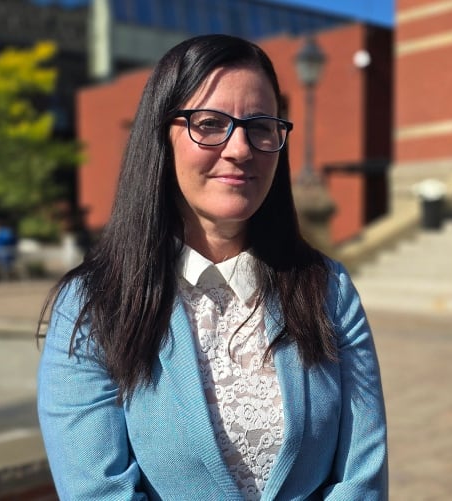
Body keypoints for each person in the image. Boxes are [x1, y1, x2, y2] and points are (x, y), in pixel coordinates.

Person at [36, 33, 388, 500]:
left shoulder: (327, 289)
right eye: (209, 123)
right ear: (162, 138)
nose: (240, 148)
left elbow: (361, 480)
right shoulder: (93, 304)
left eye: (260, 126)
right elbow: (95, 492)